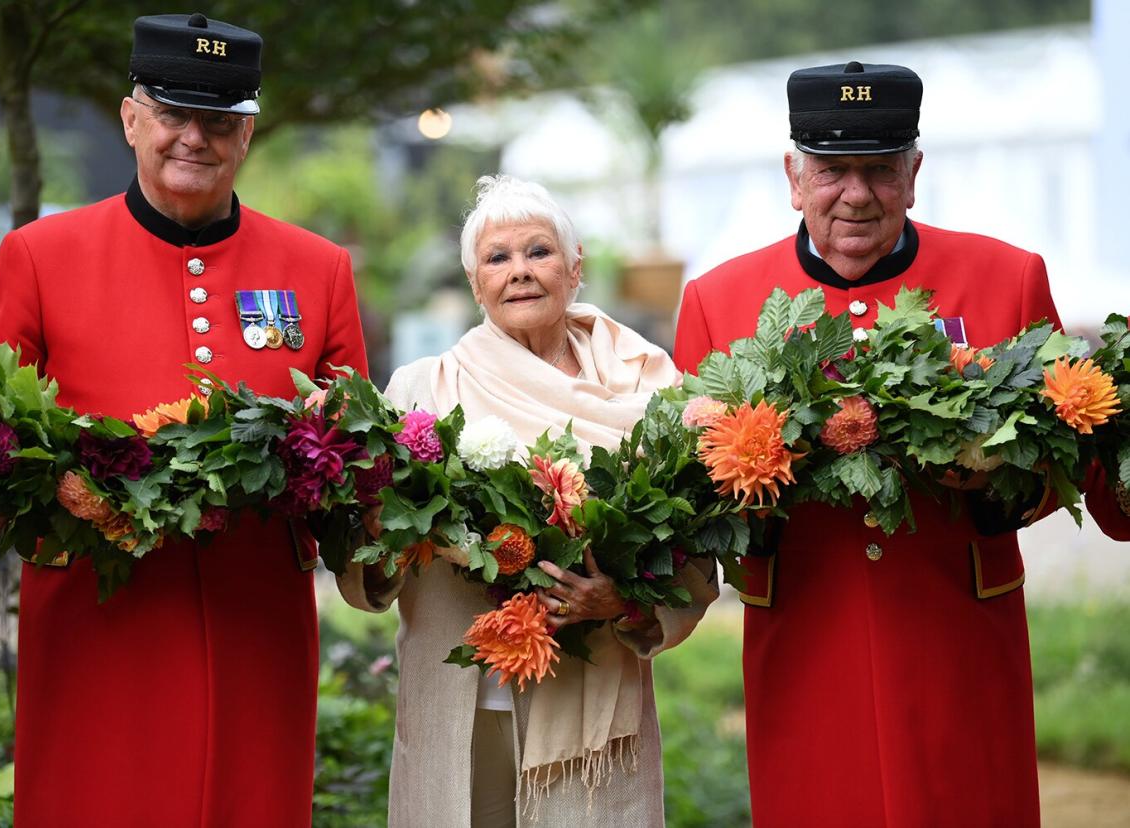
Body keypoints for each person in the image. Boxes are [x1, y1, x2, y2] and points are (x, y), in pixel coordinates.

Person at [0, 13, 367, 826]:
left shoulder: (317, 269)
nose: (195, 138)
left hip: (255, 625)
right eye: (174, 114)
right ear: (130, 118)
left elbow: (356, 453)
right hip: (97, 624)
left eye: (220, 121)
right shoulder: (40, 257)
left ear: (247, 134)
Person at [674, 61, 1076, 827]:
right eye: (832, 170)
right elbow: (691, 490)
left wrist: (1000, 485)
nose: (856, 194)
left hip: (957, 638)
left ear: (914, 172)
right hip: (807, 640)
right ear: (794, 177)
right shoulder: (718, 300)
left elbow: (1065, 456)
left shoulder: (1008, 277)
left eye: (880, 170)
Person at [338, 175, 717, 827]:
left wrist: (623, 601)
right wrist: (385, 531)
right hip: (462, 695)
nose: (519, 271)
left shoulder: (650, 387)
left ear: (575, 271)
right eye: (498, 257)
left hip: (593, 706)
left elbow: (693, 555)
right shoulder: (420, 388)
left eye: (538, 252)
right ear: (474, 280)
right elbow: (366, 559)